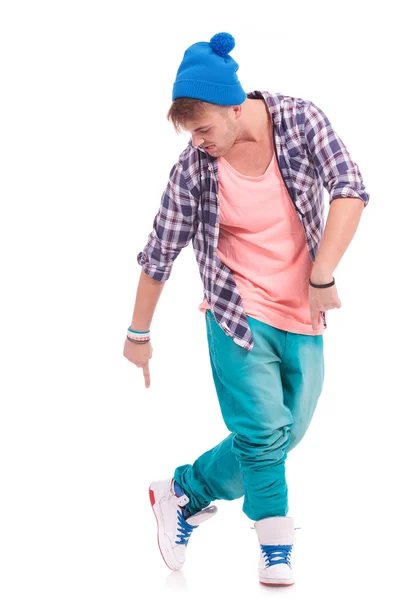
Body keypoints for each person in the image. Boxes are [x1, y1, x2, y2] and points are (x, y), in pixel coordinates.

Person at [123, 32, 369, 587]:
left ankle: (184, 491)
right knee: (261, 435)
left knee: (285, 433)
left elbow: (349, 189)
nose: (200, 142)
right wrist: (138, 333)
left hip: (301, 312)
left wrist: (322, 273)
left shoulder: (301, 122)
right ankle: (275, 545)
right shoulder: (195, 168)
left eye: (205, 129)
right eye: (192, 134)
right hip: (236, 315)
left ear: (235, 107)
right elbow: (159, 250)